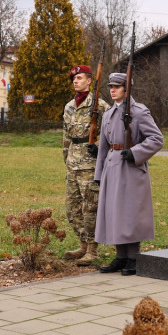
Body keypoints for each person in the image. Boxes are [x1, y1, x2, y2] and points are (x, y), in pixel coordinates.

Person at [94, 72, 164, 275]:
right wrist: (99, 174)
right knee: (115, 212)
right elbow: (103, 148)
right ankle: (121, 257)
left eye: (117, 86)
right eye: (111, 86)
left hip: (131, 168)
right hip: (112, 167)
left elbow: (157, 139)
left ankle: (133, 258)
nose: (112, 90)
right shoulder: (108, 113)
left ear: (127, 89)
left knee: (130, 213)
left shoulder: (139, 112)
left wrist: (134, 153)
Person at [62, 64, 109, 265]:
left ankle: (92, 249)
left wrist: (98, 147)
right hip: (73, 163)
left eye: (80, 78)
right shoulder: (69, 106)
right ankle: (82, 244)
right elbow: (66, 135)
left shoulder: (99, 105)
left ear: (90, 81)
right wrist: (66, 157)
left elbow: (111, 132)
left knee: (91, 208)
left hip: (90, 165)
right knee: (72, 207)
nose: (75, 81)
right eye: (74, 78)